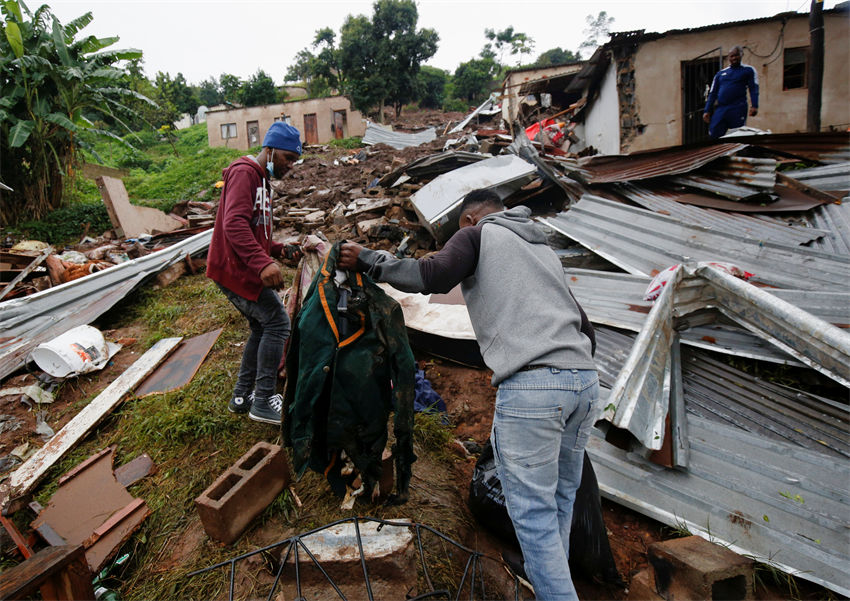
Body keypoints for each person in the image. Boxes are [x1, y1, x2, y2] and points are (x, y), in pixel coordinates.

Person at [339, 190, 598, 600]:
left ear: (469, 218)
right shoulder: (541, 247)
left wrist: (370, 259)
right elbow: (585, 326)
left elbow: (432, 276)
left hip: (533, 387)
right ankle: (545, 571)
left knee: (533, 515)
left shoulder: (478, 233)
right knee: (562, 495)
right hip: (584, 382)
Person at [206, 121, 302, 424]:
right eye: (288, 158)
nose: (290, 166)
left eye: (295, 160)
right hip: (235, 269)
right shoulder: (245, 173)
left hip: (239, 267)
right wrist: (262, 263)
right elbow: (232, 224)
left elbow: (253, 229)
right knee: (277, 323)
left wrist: (277, 249)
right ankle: (262, 400)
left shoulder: (261, 180)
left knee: (262, 327)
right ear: (270, 150)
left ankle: (242, 395)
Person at [703, 45, 759, 138]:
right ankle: (719, 153)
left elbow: (754, 88)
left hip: (738, 107)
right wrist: (707, 110)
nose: (734, 58)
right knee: (714, 132)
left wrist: (754, 105)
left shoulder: (748, 70)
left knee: (737, 135)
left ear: (741, 55)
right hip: (721, 108)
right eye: (731, 56)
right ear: (728, 57)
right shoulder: (720, 74)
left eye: (736, 55)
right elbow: (713, 93)